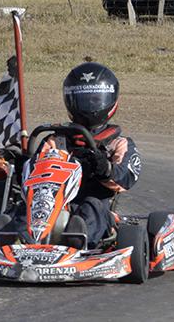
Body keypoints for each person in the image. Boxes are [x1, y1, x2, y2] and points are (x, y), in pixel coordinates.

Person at [37, 62, 142, 248]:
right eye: (84, 100)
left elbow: (126, 178)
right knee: (26, 208)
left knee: (91, 206)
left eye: (95, 100)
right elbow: (37, 170)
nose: (89, 106)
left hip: (97, 203)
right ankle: (14, 236)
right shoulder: (57, 141)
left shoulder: (118, 143)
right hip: (52, 203)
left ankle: (77, 240)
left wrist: (105, 169)